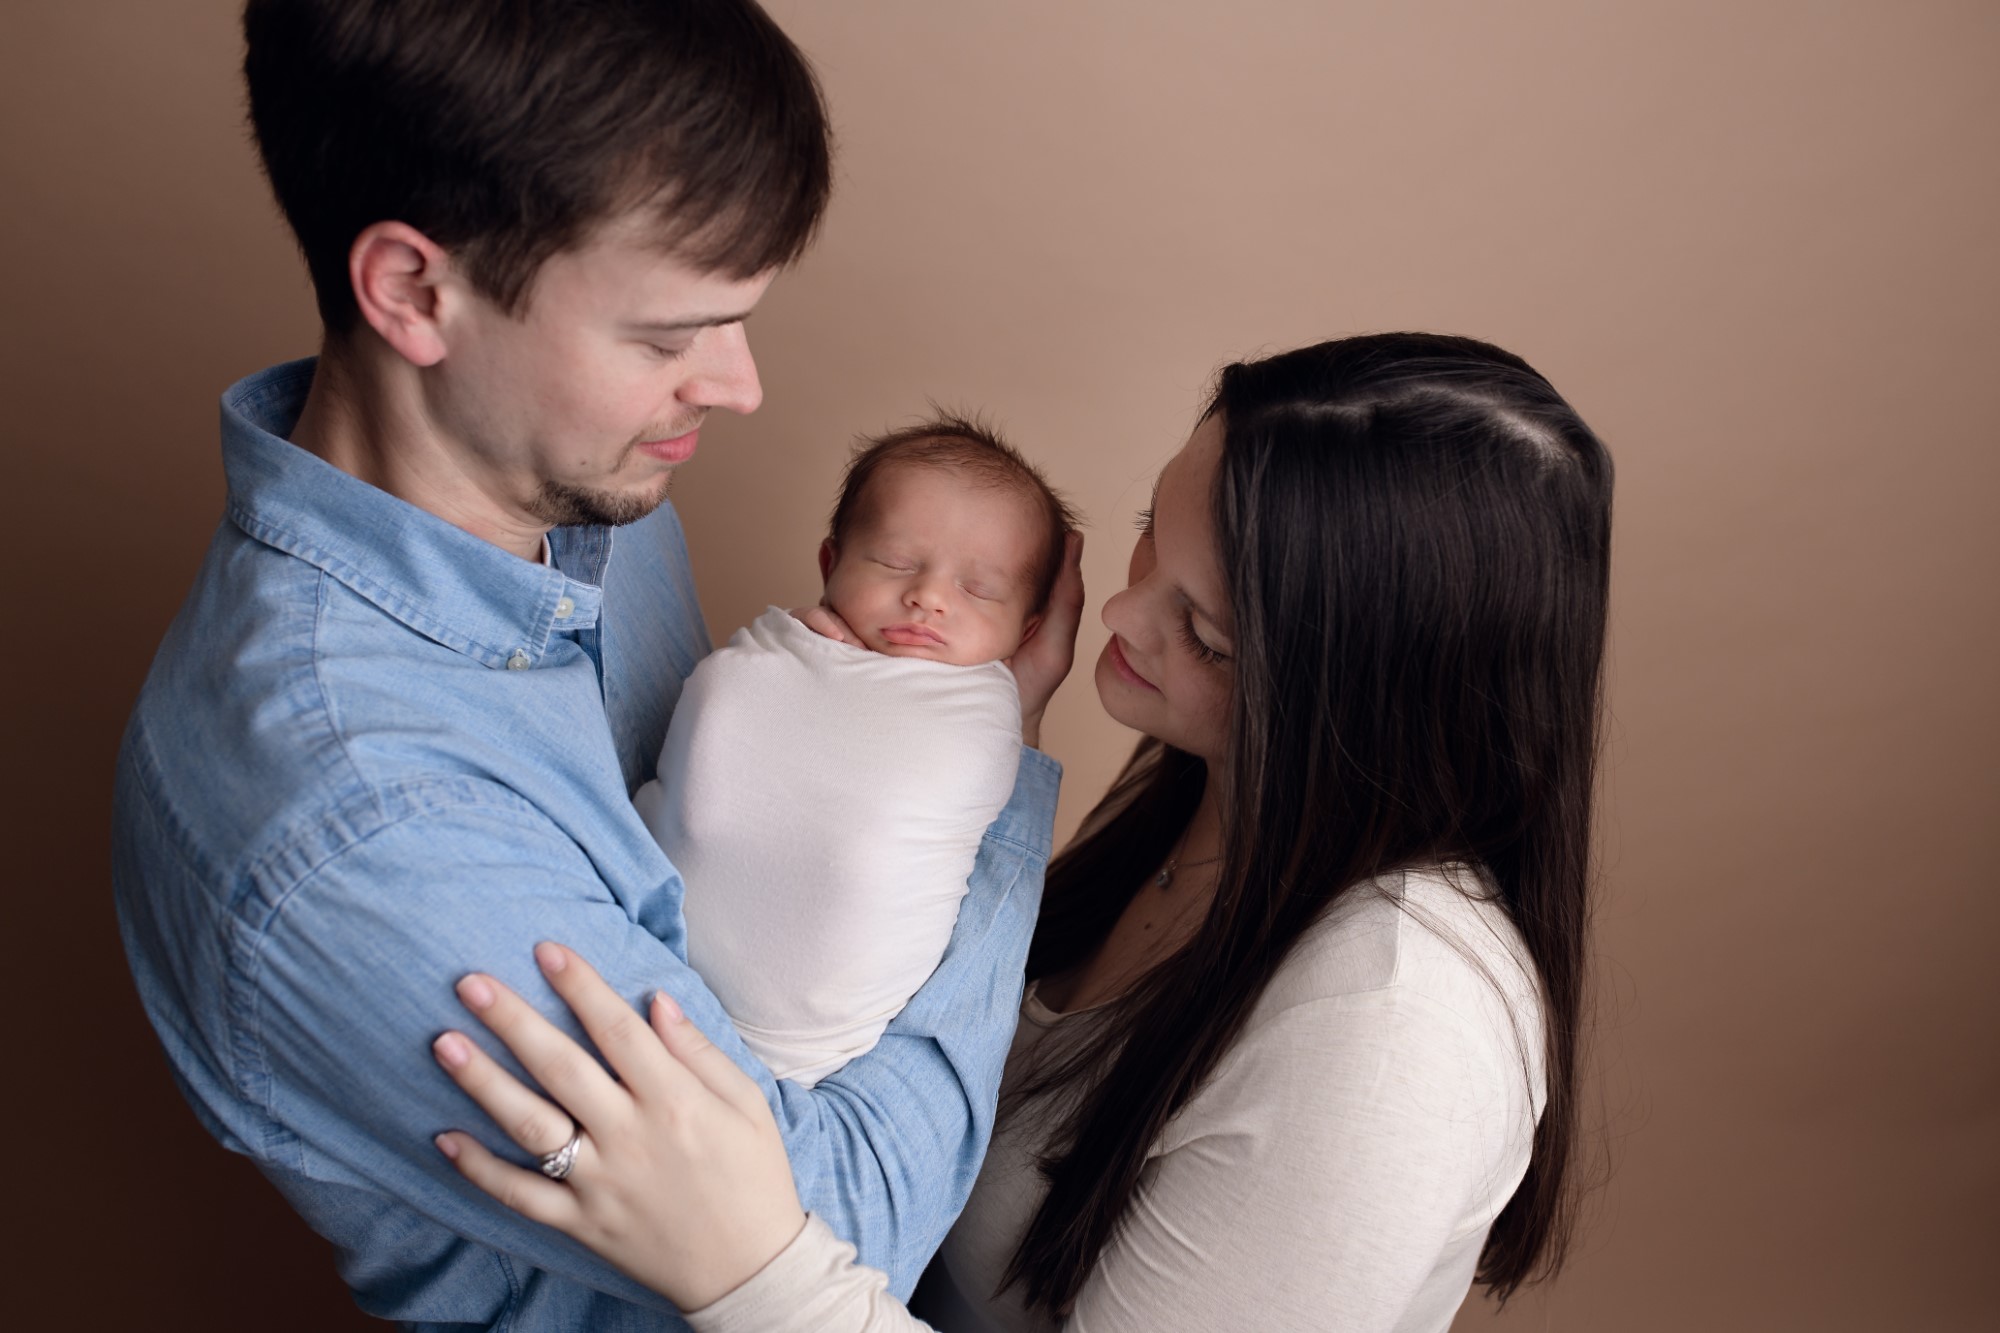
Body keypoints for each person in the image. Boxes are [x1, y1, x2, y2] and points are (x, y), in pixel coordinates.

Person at [110, 2, 1081, 1328]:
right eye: (669, 336)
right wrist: (992, 764)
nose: (740, 385)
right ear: (414, 291)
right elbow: (832, 1239)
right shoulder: (373, 833)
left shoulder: (586, 501)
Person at [428, 332, 1614, 1332]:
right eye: (1154, 527)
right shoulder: (1216, 809)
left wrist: (739, 1255)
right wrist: (992, 732)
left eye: (1199, 630)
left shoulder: (1392, 1029)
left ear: (1351, 703)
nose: (1119, 610)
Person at [636, 418, 1079, 1085]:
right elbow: (726, 723)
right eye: (895, 562)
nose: (927, 597)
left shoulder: (983, 714)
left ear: (1028, 628)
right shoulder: (783, 649)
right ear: (829, 564)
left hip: (800, 1058)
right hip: (641, 962)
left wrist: (1026, 703)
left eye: (979, 588)